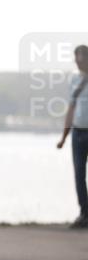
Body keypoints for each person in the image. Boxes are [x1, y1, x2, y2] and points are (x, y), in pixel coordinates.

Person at [56, 44, 88, 229]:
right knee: (79, 174)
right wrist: (64, 137)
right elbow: (71, 108)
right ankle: (84, 213)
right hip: (77, 133)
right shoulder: (74, 80)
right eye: (75, 58)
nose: (77, 61)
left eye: (81, 57)